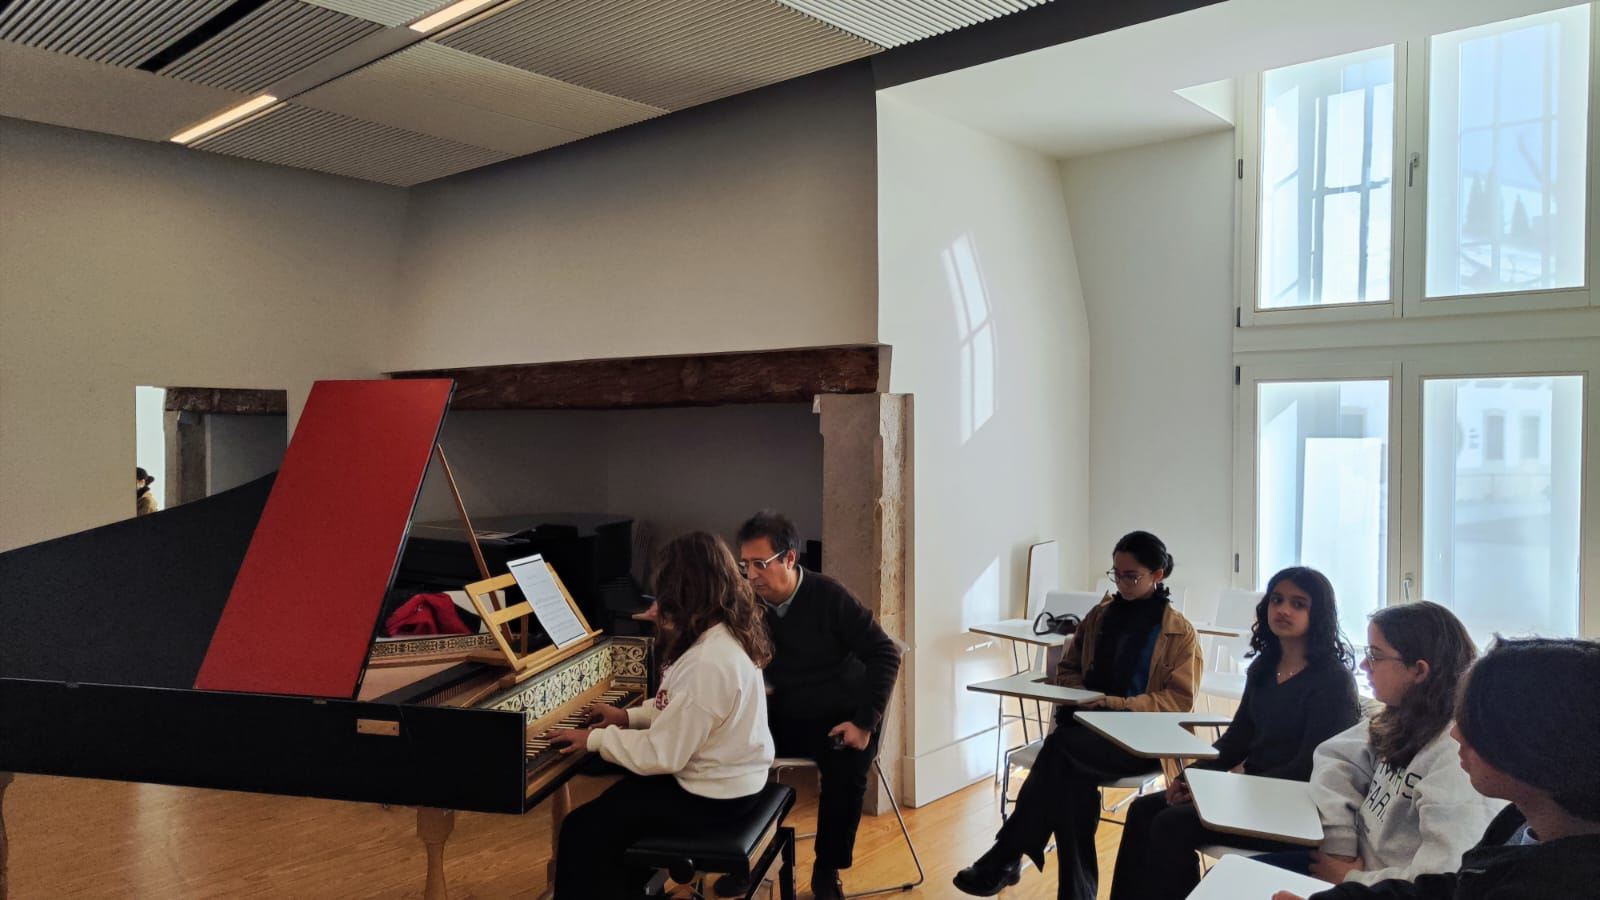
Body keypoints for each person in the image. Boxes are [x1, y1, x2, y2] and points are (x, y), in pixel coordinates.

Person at [954, 531, 1202, 900]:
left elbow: (1177, 701)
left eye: (1131, 576)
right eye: (1116, 574)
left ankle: (1007, 854)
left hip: (1142, 742)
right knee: (1068, 781)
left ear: (1158, 575)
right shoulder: (1100, 616)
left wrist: (1112, 704)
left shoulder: (1179, 632)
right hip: (1087, 731)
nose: (1121, 583)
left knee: (1060, 750)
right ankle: (1068, 890)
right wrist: (1082, 696)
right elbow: (1067, 668)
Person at [1273, 637, 1600, 900]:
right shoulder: (1516, 822)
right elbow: (1450, 888)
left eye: (1473, 722)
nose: (1456, 734)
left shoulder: (1562, 886)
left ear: (1535, 744)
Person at [1109, 566, 1362, 900]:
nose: (1283, 610)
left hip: (1294, 809)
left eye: (1298, 604)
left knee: (1170, 825)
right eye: (1277, 600)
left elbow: (1312, 767)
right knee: (1143, 810)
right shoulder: (1263, 667)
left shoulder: (1333, 680)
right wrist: (1192, 777)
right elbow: (1236, 739)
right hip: (1252, 795)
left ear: (1319, 614)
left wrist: (1226, 790)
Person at [546, 532, 775, 899]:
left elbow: (663, 754)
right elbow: (684, 709)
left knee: (581, 829)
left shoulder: (707, 662)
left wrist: (594, 739)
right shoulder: (726, 634)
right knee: (616, 806)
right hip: (733, 780)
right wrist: (627, 718)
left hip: (714, 798)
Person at [1252, 601, 1502, 884]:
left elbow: (1442, 879)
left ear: (1419, 671)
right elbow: (1335, 758)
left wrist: (1352, 879)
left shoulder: (1457, 759)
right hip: (1349, 868)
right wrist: (1341, 843)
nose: (1364, 665)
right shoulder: (1399, 717)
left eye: (1375, 655)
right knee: (1226, 876)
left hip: (1379, 888)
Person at [721, 510, 900, 900]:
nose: (751, 575)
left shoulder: (829, 596)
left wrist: (864, 723)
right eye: (745, 565)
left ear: (789, 558)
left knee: (847, 767)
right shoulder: (746, 602)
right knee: (730, 750)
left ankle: (826, 870)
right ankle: (743, 857)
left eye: (760, 564)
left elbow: (885, 653)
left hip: (839, 715)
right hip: (783, 709)